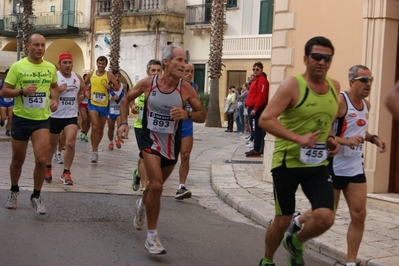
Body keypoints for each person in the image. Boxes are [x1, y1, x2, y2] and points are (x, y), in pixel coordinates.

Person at [257, 36, 340, 266]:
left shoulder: (335, 87)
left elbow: (325, 120)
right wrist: (298, 138)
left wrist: (331, 139)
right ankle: (267, 260)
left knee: (326, 217)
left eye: (327, 58)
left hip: (317, 164)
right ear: (305, 59)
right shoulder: (292, 86)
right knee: (282, 220)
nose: (321, 62)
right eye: (316, 57)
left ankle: (296, 241)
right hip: (287, 163)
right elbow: (265, 119)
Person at [117, 45, 206, 255]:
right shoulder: (150, 83)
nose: (184, 66)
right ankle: (152, 236)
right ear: (167, 62)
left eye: (185, 61)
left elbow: (202, 114)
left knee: (154, 189)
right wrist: (123, 123)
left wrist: (187, 114)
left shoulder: (186, 89)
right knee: (156, 184)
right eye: (180, 61)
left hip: (170, 144)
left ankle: (141, 205)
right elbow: (125, 99)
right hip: (149, 140)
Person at [330, 65, 386, 266]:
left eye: (370, 80)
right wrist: (344, 142)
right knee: (327, 216)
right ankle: (298, 222)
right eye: (364, 80)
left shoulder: (367, 105)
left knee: (360, 214)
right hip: (334, 164)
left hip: (354, 166)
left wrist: (374, 139)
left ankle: (351, 262)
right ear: (352, 82)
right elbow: (325, 133)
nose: (368, 84)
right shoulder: (340, 102)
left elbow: (360, 130)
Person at [3, 33, 59, 214]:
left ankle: (36, 195)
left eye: (43, 45)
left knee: (42, 159)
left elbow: (54, 86)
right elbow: (4, 91)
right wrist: (22, 91)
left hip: (41, 120)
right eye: (36, 45)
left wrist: (55, 99)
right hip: (20, 119)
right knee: (17, 160)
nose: (40, 48)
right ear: (28, 46)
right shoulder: (18, 67)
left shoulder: (50, 67)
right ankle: (13, 190)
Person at [44, 52, 85, 185]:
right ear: (59, 64)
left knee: (71, 143)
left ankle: (66, 172)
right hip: (55, 116)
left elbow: (83, 89)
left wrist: (82, 96)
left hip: (71, 116)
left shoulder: (77, 77)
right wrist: (57, 91)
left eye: (70, 63)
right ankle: (48, 167)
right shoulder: (54, 77)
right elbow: (45, 93)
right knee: (51, 145)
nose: (68, 65)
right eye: (65, 63)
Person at [131, 59, 163, 192]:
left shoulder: (164, 87)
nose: (155, 73)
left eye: (158, 70)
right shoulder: (142, 84)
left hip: (157, 128)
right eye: (153, 70)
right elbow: (130, 96)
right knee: (145, 155)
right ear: (147, 71)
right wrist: (132, 105)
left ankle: (138, 173)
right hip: (141, 126)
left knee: (150, 156)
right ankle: (145, 187)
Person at [84, 56, 118, 163]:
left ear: (106, 65)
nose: (101, 65)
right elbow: (84, 83)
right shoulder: (91, 74)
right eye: (99, 63)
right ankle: (94, 151)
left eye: (103, 64)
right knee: (94, 127)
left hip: (104, 105)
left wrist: (111, 87)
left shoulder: (109, 75)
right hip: (93, 104)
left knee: (100, 129)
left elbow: (117, 86)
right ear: (97, 63)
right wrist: (85, 92)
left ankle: (96, 147)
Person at [176, 63, 199, 200]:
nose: (189, 73)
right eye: (186, 71)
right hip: (172, 123)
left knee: (185, 155)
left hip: (187, 123)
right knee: (165, 157)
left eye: (191, 71)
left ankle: (181, 186)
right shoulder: (174, 85)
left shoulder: (195, 87)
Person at [245, 62, 269, 157]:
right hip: (251, 107)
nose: (255, 71)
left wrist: (255, 108)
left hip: (257, 108)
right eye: (253, 69)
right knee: (253, 129)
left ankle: (257, 149)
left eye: (257, 69)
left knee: (256, 129)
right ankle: (255, 147)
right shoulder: (255, 80)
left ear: (261, 70)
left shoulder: (262, 81)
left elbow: (261, 96)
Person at [107, 70, 126, 150]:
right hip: (110, 110)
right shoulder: (108, 87)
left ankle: (117, 138)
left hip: (119, 110)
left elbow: (127, 97)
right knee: (111, 129)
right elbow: (104, 98)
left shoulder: (123, 86)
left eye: (118, 76)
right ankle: (111, 141)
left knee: (119, 126)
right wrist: (111, 97)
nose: (117, 78)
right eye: (115, 76)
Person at [0, 69, 13, 136]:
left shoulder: (14, 82)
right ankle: (2, 120)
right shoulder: (1, 81)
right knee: (4, 117)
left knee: (10, 117)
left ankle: (8, 129)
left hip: (11, 101)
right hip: (3, 101)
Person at [79, 73, 91, 142]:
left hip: (89, 104)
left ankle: (85, 134)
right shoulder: (81, 85)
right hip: (82, 104)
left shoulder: (91, 85)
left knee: (89, 121)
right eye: (86, 78)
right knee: (84, 118)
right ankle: (83, 130)